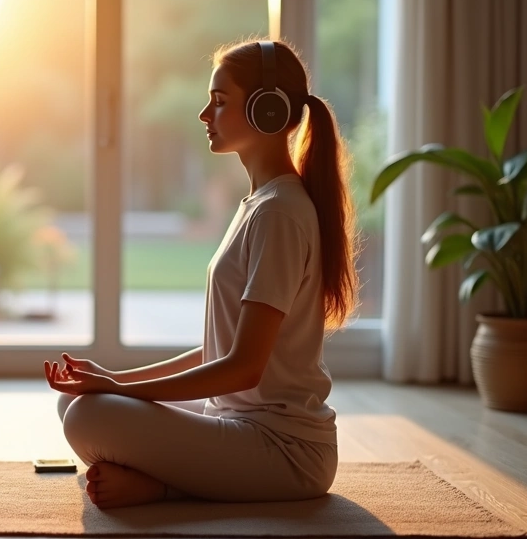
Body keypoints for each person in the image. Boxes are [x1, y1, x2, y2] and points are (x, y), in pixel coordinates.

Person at [45, 39, 358, 509]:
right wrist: (115, 377)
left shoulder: (280, 214)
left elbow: (243, 367)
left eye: (219, 101)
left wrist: (119, 389)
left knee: (89, 416)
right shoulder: (260, 204)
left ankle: (164, 488)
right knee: (75, 404)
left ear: (266, 112)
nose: (203, 114)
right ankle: (167, 474)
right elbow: (224, 350)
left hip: (286, 450)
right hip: (240, 422)